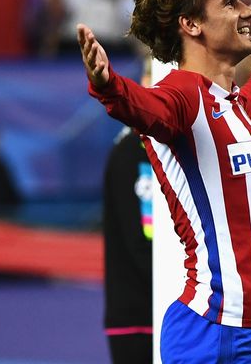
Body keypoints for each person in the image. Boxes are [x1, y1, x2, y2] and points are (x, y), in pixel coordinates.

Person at [78, 0, 251, 363]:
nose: (248, 11)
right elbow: (142, 106)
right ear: (191, 25)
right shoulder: (183, 97)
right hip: (210, 330)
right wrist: (108, 84)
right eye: (230, 3)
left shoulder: (233, 105)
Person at [102, 124, 154, 363]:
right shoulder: (129, 151)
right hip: (136, 315)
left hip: (169, 311)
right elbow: (135, 238)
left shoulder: (169, 146)